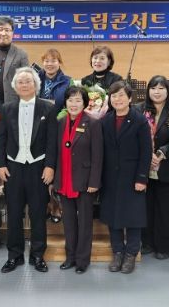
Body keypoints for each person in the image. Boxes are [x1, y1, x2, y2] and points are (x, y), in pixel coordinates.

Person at [0, 67, 57, 273]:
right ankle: (14, 255)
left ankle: (38, 255)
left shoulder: (48, 108)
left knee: (38, 213)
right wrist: (0, 164)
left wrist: (50, 166)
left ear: (35, 85)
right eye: (20, 82)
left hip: (38, 168)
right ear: (15, 86)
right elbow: (1, 139)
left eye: (28, 81)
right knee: (13, 214)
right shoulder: (7, 108)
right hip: (13, 168)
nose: (24, 85)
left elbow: (52, 141)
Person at [100, 81, 152, 274]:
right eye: (114, 96)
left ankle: (131, 254)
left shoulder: (139, 120)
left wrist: (141, 178)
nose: (118, 99)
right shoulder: (105, 121)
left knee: (133, 217)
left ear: (130, 98)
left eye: (121, 95)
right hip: (110, 177)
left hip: (132, 177)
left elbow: (146, 152)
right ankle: (117, 252)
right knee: (112, 217)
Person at [54, 86, 103, 274]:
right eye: (70, 100)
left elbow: (98, 155)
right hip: (64, 179)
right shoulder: (60, 123)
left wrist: (94, 182)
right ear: (65, 102)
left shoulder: (93, 123)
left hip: (84, 181)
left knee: (84, 223)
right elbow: (56, 152)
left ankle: (82, 260)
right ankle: (70, 257)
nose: (73, 104)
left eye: (78, 100)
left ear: (84, 103)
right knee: (68, 222)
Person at [138, 75, 169, 259]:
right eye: (153, 88)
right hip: (143, 169)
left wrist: (163, 152)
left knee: (166, 210)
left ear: (167, 91)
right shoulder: (139, 110)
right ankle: (147, 242)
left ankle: (165, 246)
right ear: (148, 91)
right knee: (146, 208)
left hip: (167, 168)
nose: (157, 92)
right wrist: (147, 154)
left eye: (161, 88)